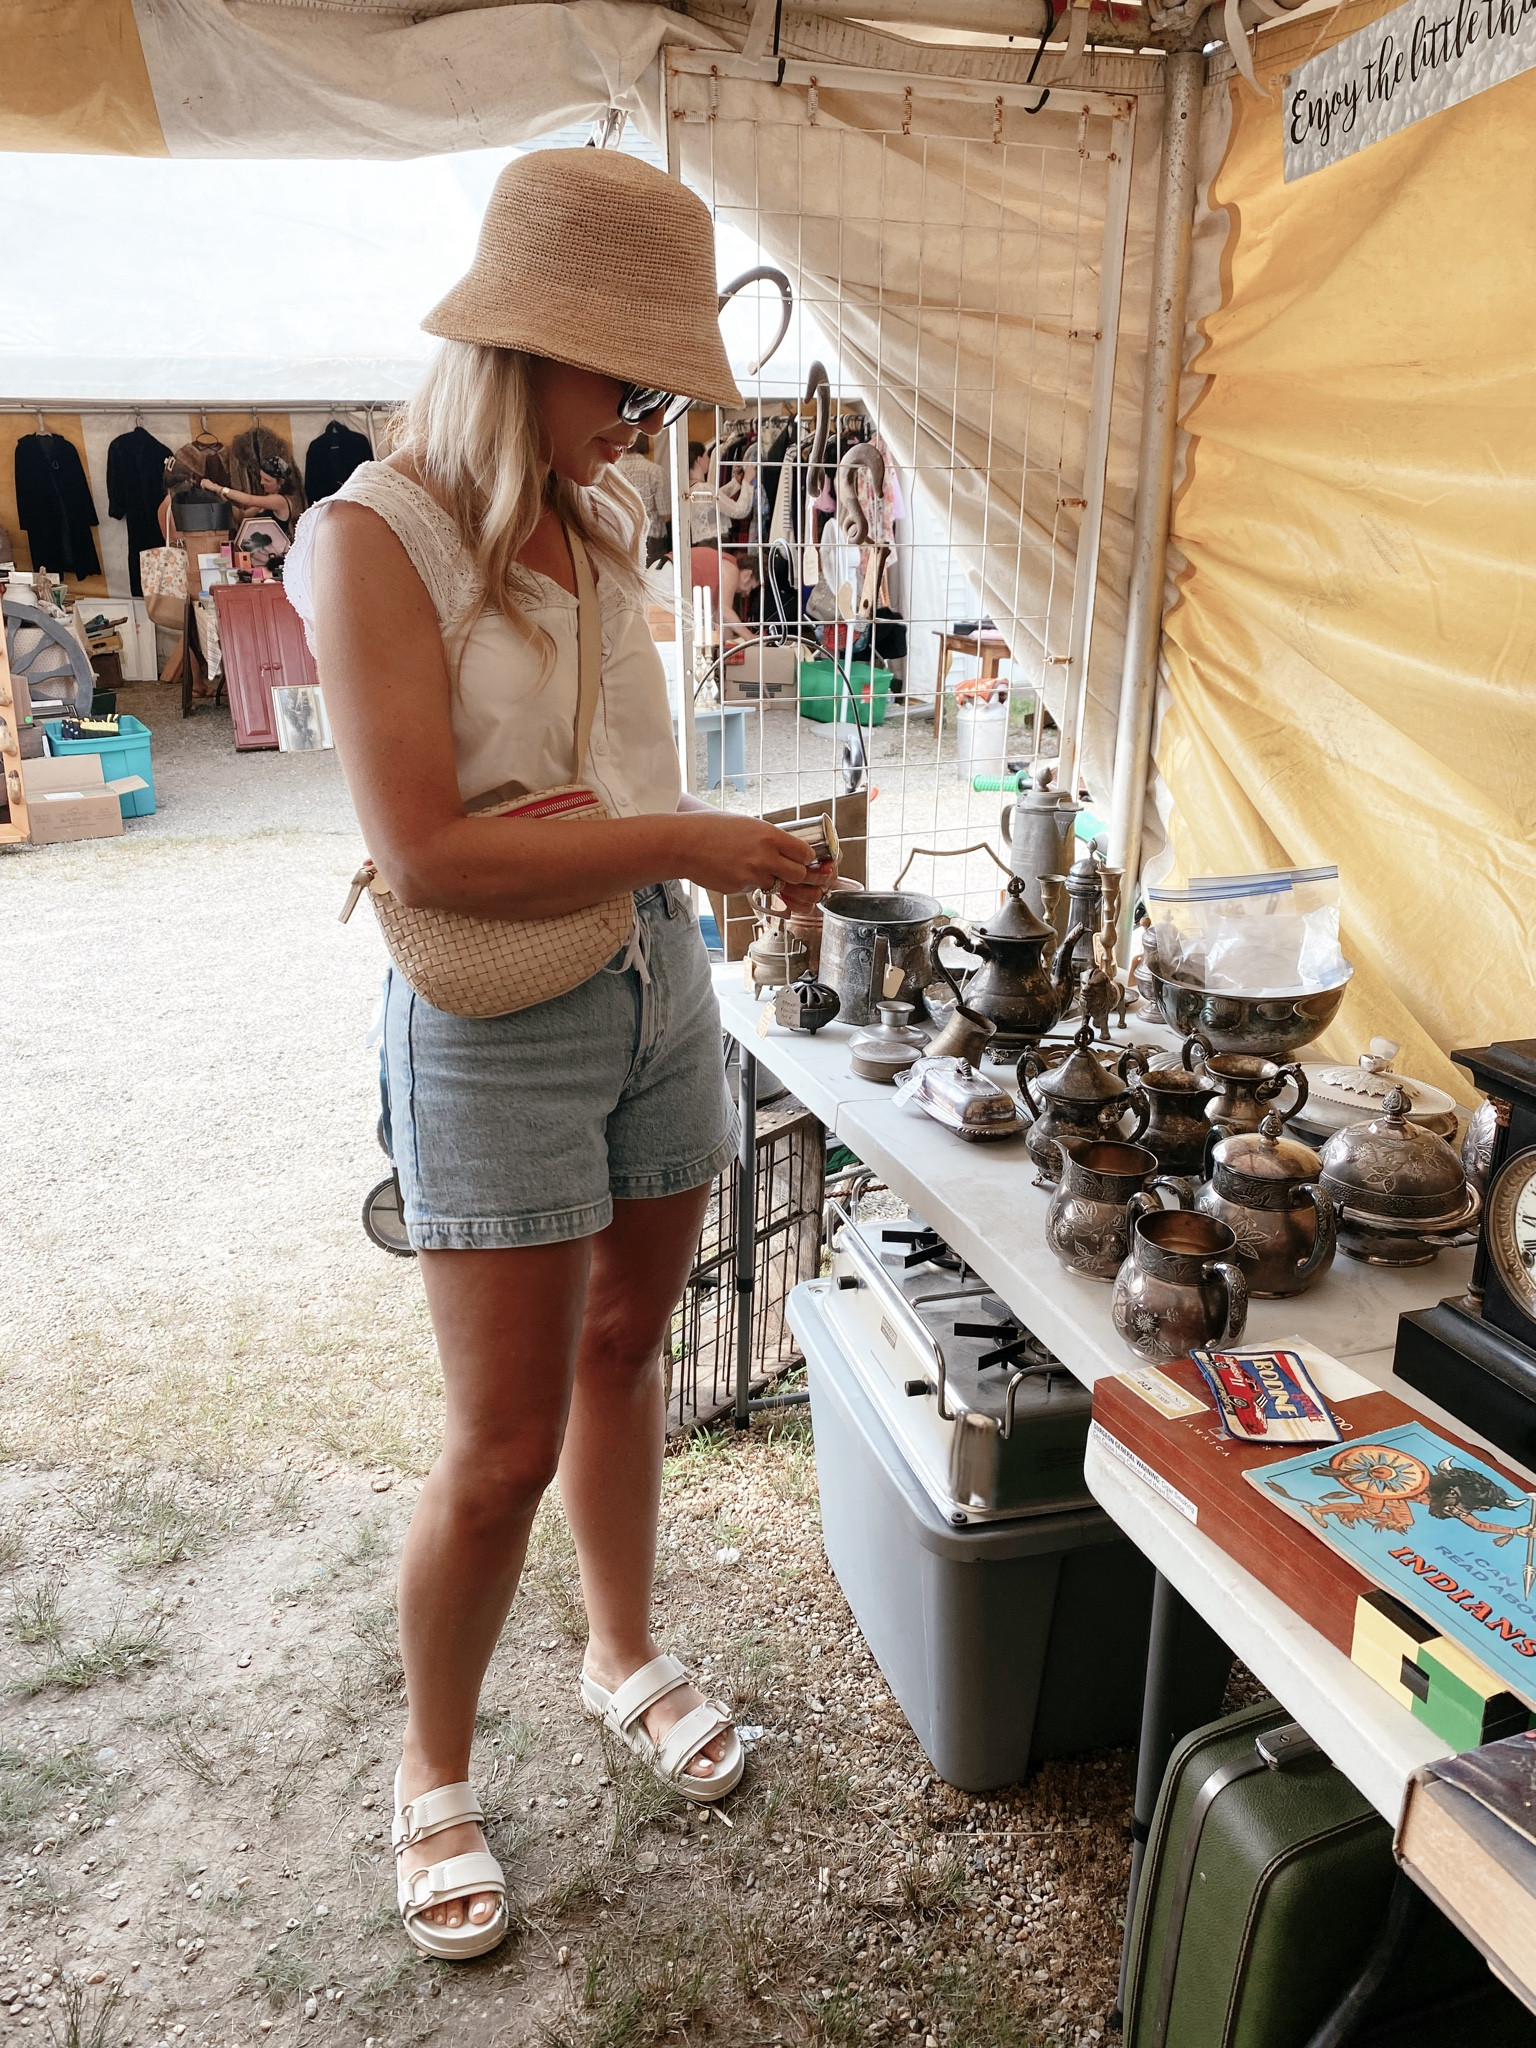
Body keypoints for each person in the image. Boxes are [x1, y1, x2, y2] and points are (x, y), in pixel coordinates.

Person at [283, 149, 830, 1965]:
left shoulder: (594, 530)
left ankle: (617, 1649)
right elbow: (432, 847)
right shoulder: (371, 536)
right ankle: (430, 1770)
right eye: (627, 385)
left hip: (654, 984)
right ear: (529, 351)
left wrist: (705, 854)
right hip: (492, 1018)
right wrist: (687, 839)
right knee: (500, 1439)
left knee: (628, 1344)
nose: (645, 422)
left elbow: (614, 788)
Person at [687, 443, 756, 644]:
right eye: (707, 456)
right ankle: (731, 643)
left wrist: (736, 483)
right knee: (722, 603)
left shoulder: (691, 489)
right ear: (699, 459)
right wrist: (748, 484)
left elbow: (718, 497)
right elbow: (739, 510)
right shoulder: (704, 489)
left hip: (701, 545)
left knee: (710, 603)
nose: (710, 460)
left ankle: (718, 644)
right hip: (716, 545)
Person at [615, 432, 670, 565]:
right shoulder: (655, 471)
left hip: (619, 535)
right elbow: (666, 515)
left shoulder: (611, 470)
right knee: (651, 580)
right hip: (651, 538)